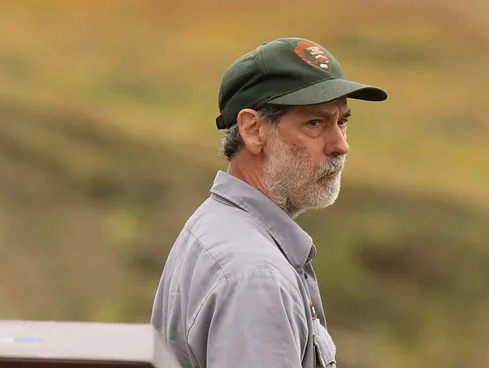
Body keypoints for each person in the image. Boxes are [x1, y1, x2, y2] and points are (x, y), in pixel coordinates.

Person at [150, 37, 388, 368]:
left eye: (342, 122)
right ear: (253, 131)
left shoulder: (216, 226)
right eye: (315, 123)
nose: (340, 145)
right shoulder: (256, 275)